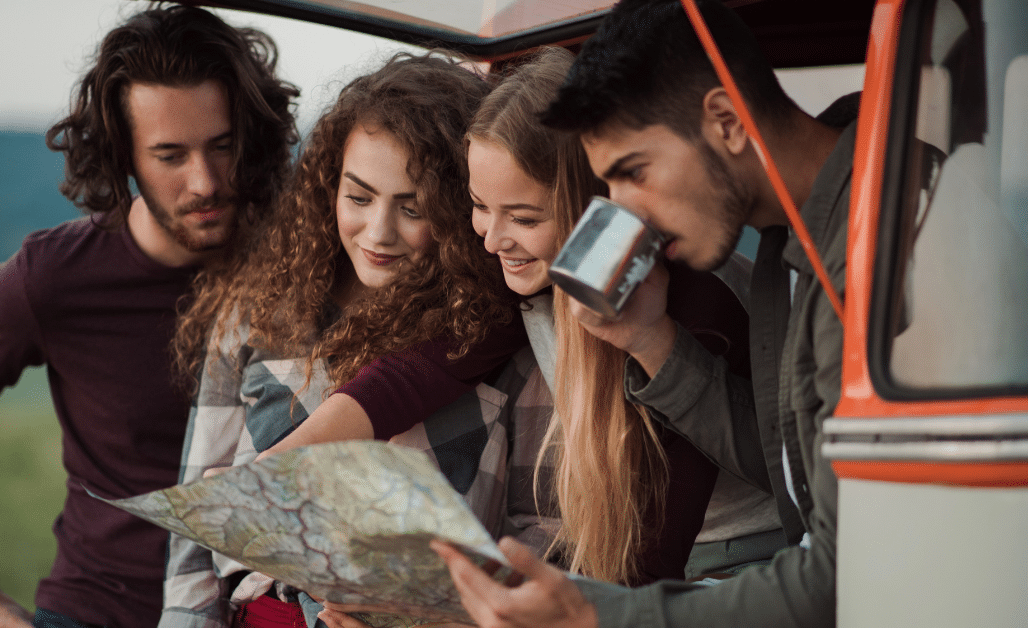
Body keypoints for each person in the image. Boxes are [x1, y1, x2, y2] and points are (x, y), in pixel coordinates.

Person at [431, 0, 856, 626]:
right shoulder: (785, 245)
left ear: (726, 121)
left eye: (635, 172)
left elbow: (841, 575)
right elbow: (784, 463)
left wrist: (596, 615)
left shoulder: (871, 242)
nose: (629, 213)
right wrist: (651, 341)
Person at [0, 6, 298, 628]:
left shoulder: (301, 258)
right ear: (124, 155)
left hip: (263, 610)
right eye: (170, 156)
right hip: (101, 609)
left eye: (221, 146)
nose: (204, 181)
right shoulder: (55, 275)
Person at [165, 52, 549, 628]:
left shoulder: (501, 337)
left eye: (412, 207)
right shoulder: (256, 312)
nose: (378, 233)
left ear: (458, 209)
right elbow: (194, 538)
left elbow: (542, 529)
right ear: (328, 183)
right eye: (359, 197)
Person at [463, 46, 783, 587]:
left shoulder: (696, 302)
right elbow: (429, 365)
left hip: (734, 561)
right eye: (478, 205)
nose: (493, 239)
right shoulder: (530, 267)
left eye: (522, 217)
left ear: (596, 207)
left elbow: (655, 553)